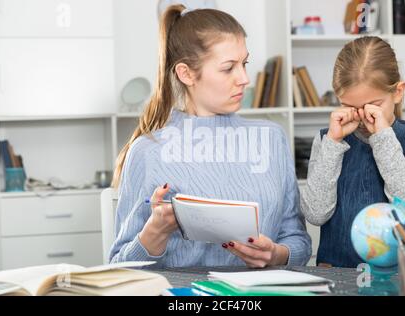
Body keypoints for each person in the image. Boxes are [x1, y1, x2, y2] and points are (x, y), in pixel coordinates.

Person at [109, 5, 311, 268]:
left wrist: (277, 254)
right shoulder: (148, 151)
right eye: (228, 68)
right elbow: (118, 266)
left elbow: (298, 240)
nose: (244, 78)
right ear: (186, 74)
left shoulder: (272, 138)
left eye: (244, 64)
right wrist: (153, 234)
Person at [301, 36, 405, 268]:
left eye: (372, 106)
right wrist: (333, 143)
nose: (363, 117)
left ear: (398, 92)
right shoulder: (327, 139)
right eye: (350, 107)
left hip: (399, 279)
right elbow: (315, 214)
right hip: (335, 276)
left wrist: (383, 137)